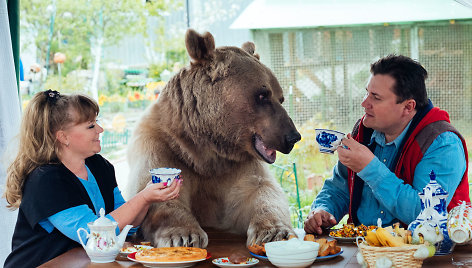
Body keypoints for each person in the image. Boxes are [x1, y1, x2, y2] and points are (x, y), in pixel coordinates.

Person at [3, 90, 182, 267]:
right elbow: (94, 236)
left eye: (97, 122)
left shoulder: (99, 166)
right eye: (91, 126)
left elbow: (128, 226)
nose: (100, 129)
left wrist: (148, 198)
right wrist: (143, 197)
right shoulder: (46, 181)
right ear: (63, 137)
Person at [304, 55, 470, 234]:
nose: (364, 103)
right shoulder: (364, 130)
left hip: (425, 255)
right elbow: (339, 188)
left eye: (375, 97)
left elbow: (427, 216)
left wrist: (369, 168)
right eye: (367, 92)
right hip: (364, 249)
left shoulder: (442, 143)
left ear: (408, 107)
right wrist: (323, 210)